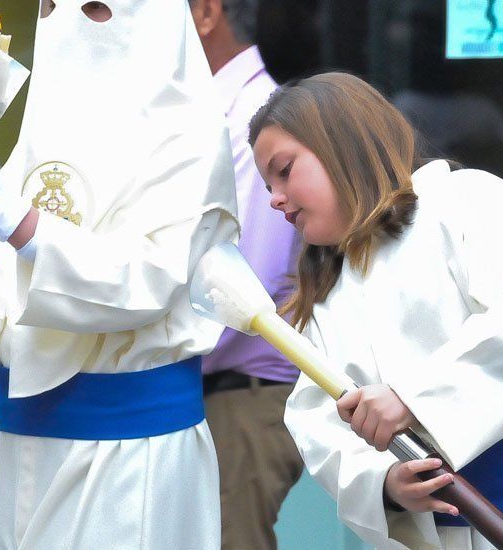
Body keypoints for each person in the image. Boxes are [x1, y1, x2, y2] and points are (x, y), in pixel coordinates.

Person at [248, 72, 503, 549]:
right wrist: (384, 483)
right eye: (268, 183)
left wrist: (413, 398)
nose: (274, 198)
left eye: (284, 170)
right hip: (450, 529)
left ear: (342, 145)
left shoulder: (468, 202)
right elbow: (318, 421)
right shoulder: (326, 293)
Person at [0, 2, 239, 548]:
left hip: (128, 455)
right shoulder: (40, 131)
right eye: (52, 6)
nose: (68, 21)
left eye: (93, 7)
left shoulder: (192, 137)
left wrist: (17, 221)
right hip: (13, 444)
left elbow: (146, 282)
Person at [189, 1, 304, 548]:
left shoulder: (255, 117)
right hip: (209, 388)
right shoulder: (210, 112)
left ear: (206, 12)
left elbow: (241, 291)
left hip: (239, 394)